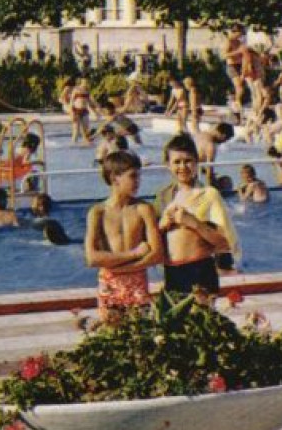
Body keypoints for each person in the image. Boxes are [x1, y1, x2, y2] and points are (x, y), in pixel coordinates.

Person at [153, 134, 237, 297]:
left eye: (188, 161)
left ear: (197, 162)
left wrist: (195, 223)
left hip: (200, 270)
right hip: (172, 272)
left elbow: (225, 242)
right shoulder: (163, 196)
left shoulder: (208, 195)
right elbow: (152, 241)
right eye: (177, 162)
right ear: (167, 165)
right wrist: (161, 227)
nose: (183, 166)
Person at [85, 149, 161, 318]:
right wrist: (134, 254)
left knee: (140, 335)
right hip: (110, 283)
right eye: (133, 176)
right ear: (114, 178)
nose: (138, 182)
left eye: (139, 176)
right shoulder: (98, 212)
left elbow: (157, 254)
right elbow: (92, 258)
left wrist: (121, 267)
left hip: (136, 282)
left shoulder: (144, 209)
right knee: (112, 336)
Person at [68, 77, 93, 145]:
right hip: (76, 111)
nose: (86, 83)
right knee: (76, 130)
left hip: (84, 111)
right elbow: (71, 102)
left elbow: (90, 102)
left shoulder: (87, 90)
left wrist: (95, 111)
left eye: (87, 82)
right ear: (82, 82)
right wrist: (72, 113)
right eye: (85, 82)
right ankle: (73, 144)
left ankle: (86, 143)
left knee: (86, 129)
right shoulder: (76, 89)